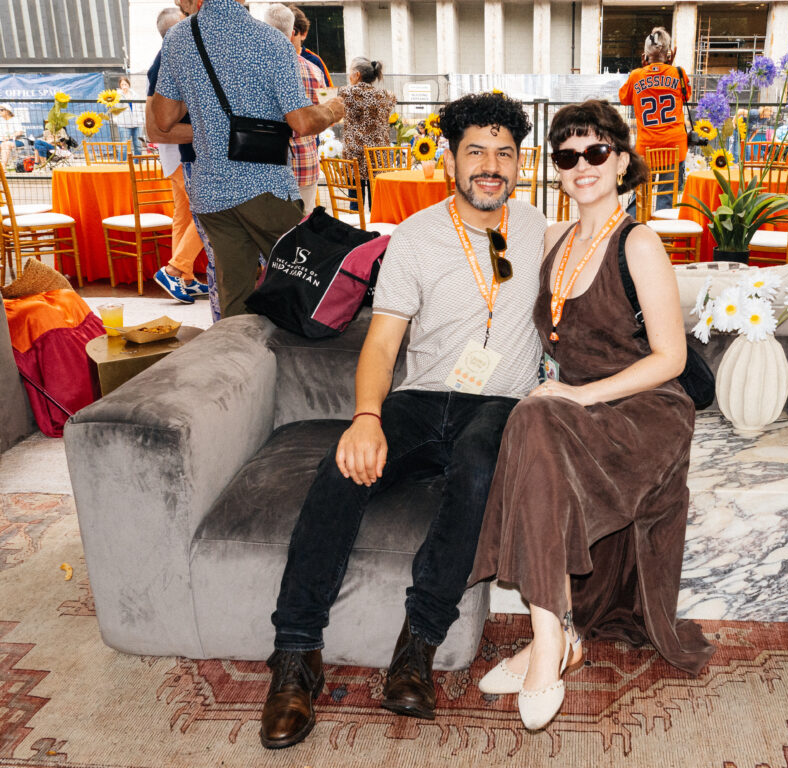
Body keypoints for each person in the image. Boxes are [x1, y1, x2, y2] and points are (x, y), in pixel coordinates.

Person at [260, 92, 546, 749]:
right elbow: (383, 345)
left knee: (479, 467)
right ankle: (295, 655)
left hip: (498, 404)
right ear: (451, 158)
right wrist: (365, 418)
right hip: (420, 399)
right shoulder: (415, 237)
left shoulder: (535, 229)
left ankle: (417, 648)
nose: (490, 165)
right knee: (340, 471)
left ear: (519, 163)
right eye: (475, 150)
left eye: (504, 152)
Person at [469, 99, 715, 731]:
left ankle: (547, 645)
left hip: (644, 411)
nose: (582, 165)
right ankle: (556, 635)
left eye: (596, 152)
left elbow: (670, 357)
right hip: (575, 412)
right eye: (567, 155)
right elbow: (485, 254)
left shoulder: (640, 242)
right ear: (556, 168)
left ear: (622, 161)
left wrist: (578, 397)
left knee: (537, 417)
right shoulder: (554, 239)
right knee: (530, 416)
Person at [152, 0, 346, 318]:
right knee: (307, 285)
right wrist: (334, 109)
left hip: (211, 193)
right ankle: (296, 359)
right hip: (265, 189)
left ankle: (240, 361)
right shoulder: (270, 40)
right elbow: (301, 122)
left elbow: (163, 119)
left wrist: (208, 116)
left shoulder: (179, 38)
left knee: (235, 300)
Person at [146, 5, 210, 306]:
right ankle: (176, 268)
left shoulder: (166, 57)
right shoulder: (169, 58)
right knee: (207, 212)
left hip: (176, 152)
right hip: (183, 149)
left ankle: (182, 276)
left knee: (184, 215)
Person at [618, 27, 690, 214]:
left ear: (645, 54)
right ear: (669, 53)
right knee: (667, 197)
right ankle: (663, 239)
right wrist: (669, 66)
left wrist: (645, 69)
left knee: (640, 196)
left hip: (646, 147)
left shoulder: (636, 76)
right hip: (674, 146)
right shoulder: (678, 74)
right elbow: (686, 95)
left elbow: (624, 98)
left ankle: (632, 233)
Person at [265, 3, 324, 215]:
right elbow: (323, 116)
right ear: (292, 33)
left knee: (271, 232)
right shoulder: (313, 70)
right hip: (305, 160)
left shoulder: (256, 68)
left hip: (268, 163)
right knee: (303, 225)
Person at [338, 57, 395, 208]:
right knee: (376, 201)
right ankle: (375, 229)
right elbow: (392, 100)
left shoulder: (346, 93)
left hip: (355, 155)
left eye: (350, 72)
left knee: (355, 201)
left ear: (357, 75)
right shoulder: (387, 95)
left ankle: (358, 227)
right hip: (378, 156)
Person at [288, 5, 333, 87]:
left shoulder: (315, 61)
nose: (287, 36)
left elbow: (329, 95)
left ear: (303, 34)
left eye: (292, 31)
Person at [114, 76, 145, 155]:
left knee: (138, 145)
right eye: (122, 84)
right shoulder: (117, 96)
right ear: (120, 86)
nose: (124, 86)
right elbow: (117, 108)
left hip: (137, 123)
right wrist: (122, 96)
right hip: (124, 124)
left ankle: (137, 164)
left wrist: (142, 120)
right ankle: (122, 164)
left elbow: (140, 108)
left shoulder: (135, 95)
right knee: (124, 146)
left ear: (129, 84)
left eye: (126, 84)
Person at [0, 104, 26, 169]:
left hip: (16, 141)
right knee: (4, 144)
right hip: (2, 141)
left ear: (8, 111)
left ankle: (3, 168)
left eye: (1, 110)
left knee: (6, 144)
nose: (0, 111)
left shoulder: (15, 120)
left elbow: (20, 132)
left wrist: (9, 137)